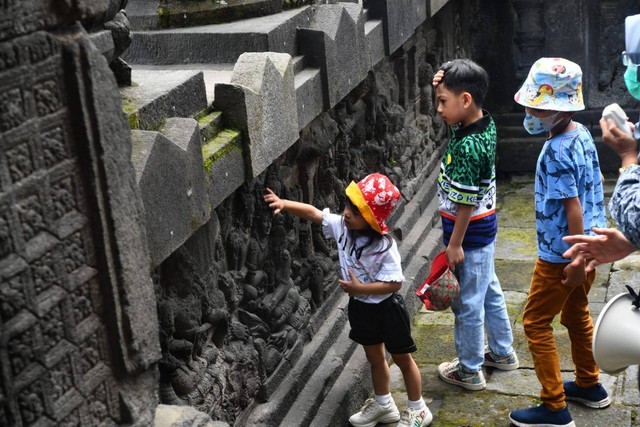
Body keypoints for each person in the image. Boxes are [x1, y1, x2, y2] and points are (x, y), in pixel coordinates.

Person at [263, 173, 432, 427]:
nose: (348, 213)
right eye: (348, 206)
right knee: (375, 358)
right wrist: (284, 203)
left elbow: (395, 283)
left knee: (401, 358)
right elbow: (314, 214)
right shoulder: (343, 227)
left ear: (372, 220)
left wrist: (359, 286)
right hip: (362, 308)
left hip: (386, 309)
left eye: (357, 211)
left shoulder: (384, 247)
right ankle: (384, 403)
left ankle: (418, 408)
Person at [508, 57, 611, 427]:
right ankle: (589, 384)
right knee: (575, 313)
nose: (527, 110)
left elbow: (573, 207)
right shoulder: (580, 132)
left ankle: (554, 406)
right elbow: (595, 182)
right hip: (590, 247)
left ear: (553, 108)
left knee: (535, 323)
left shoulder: (555, 151)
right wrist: (589, 254)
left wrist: (574, 260)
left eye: (533, 104)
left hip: (561, 255)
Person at [431, 58, 517, 392]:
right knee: (489, 289)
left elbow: (465, 202)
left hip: (469, 236)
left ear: (465, 100)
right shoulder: (483, 124)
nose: (438, 109)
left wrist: (455, 244)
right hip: (484, 232)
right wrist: (440, 80)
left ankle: (469, 369)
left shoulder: (467, 146)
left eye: (442, 101)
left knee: (468, 303)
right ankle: (503, 351)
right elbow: (454, 112)